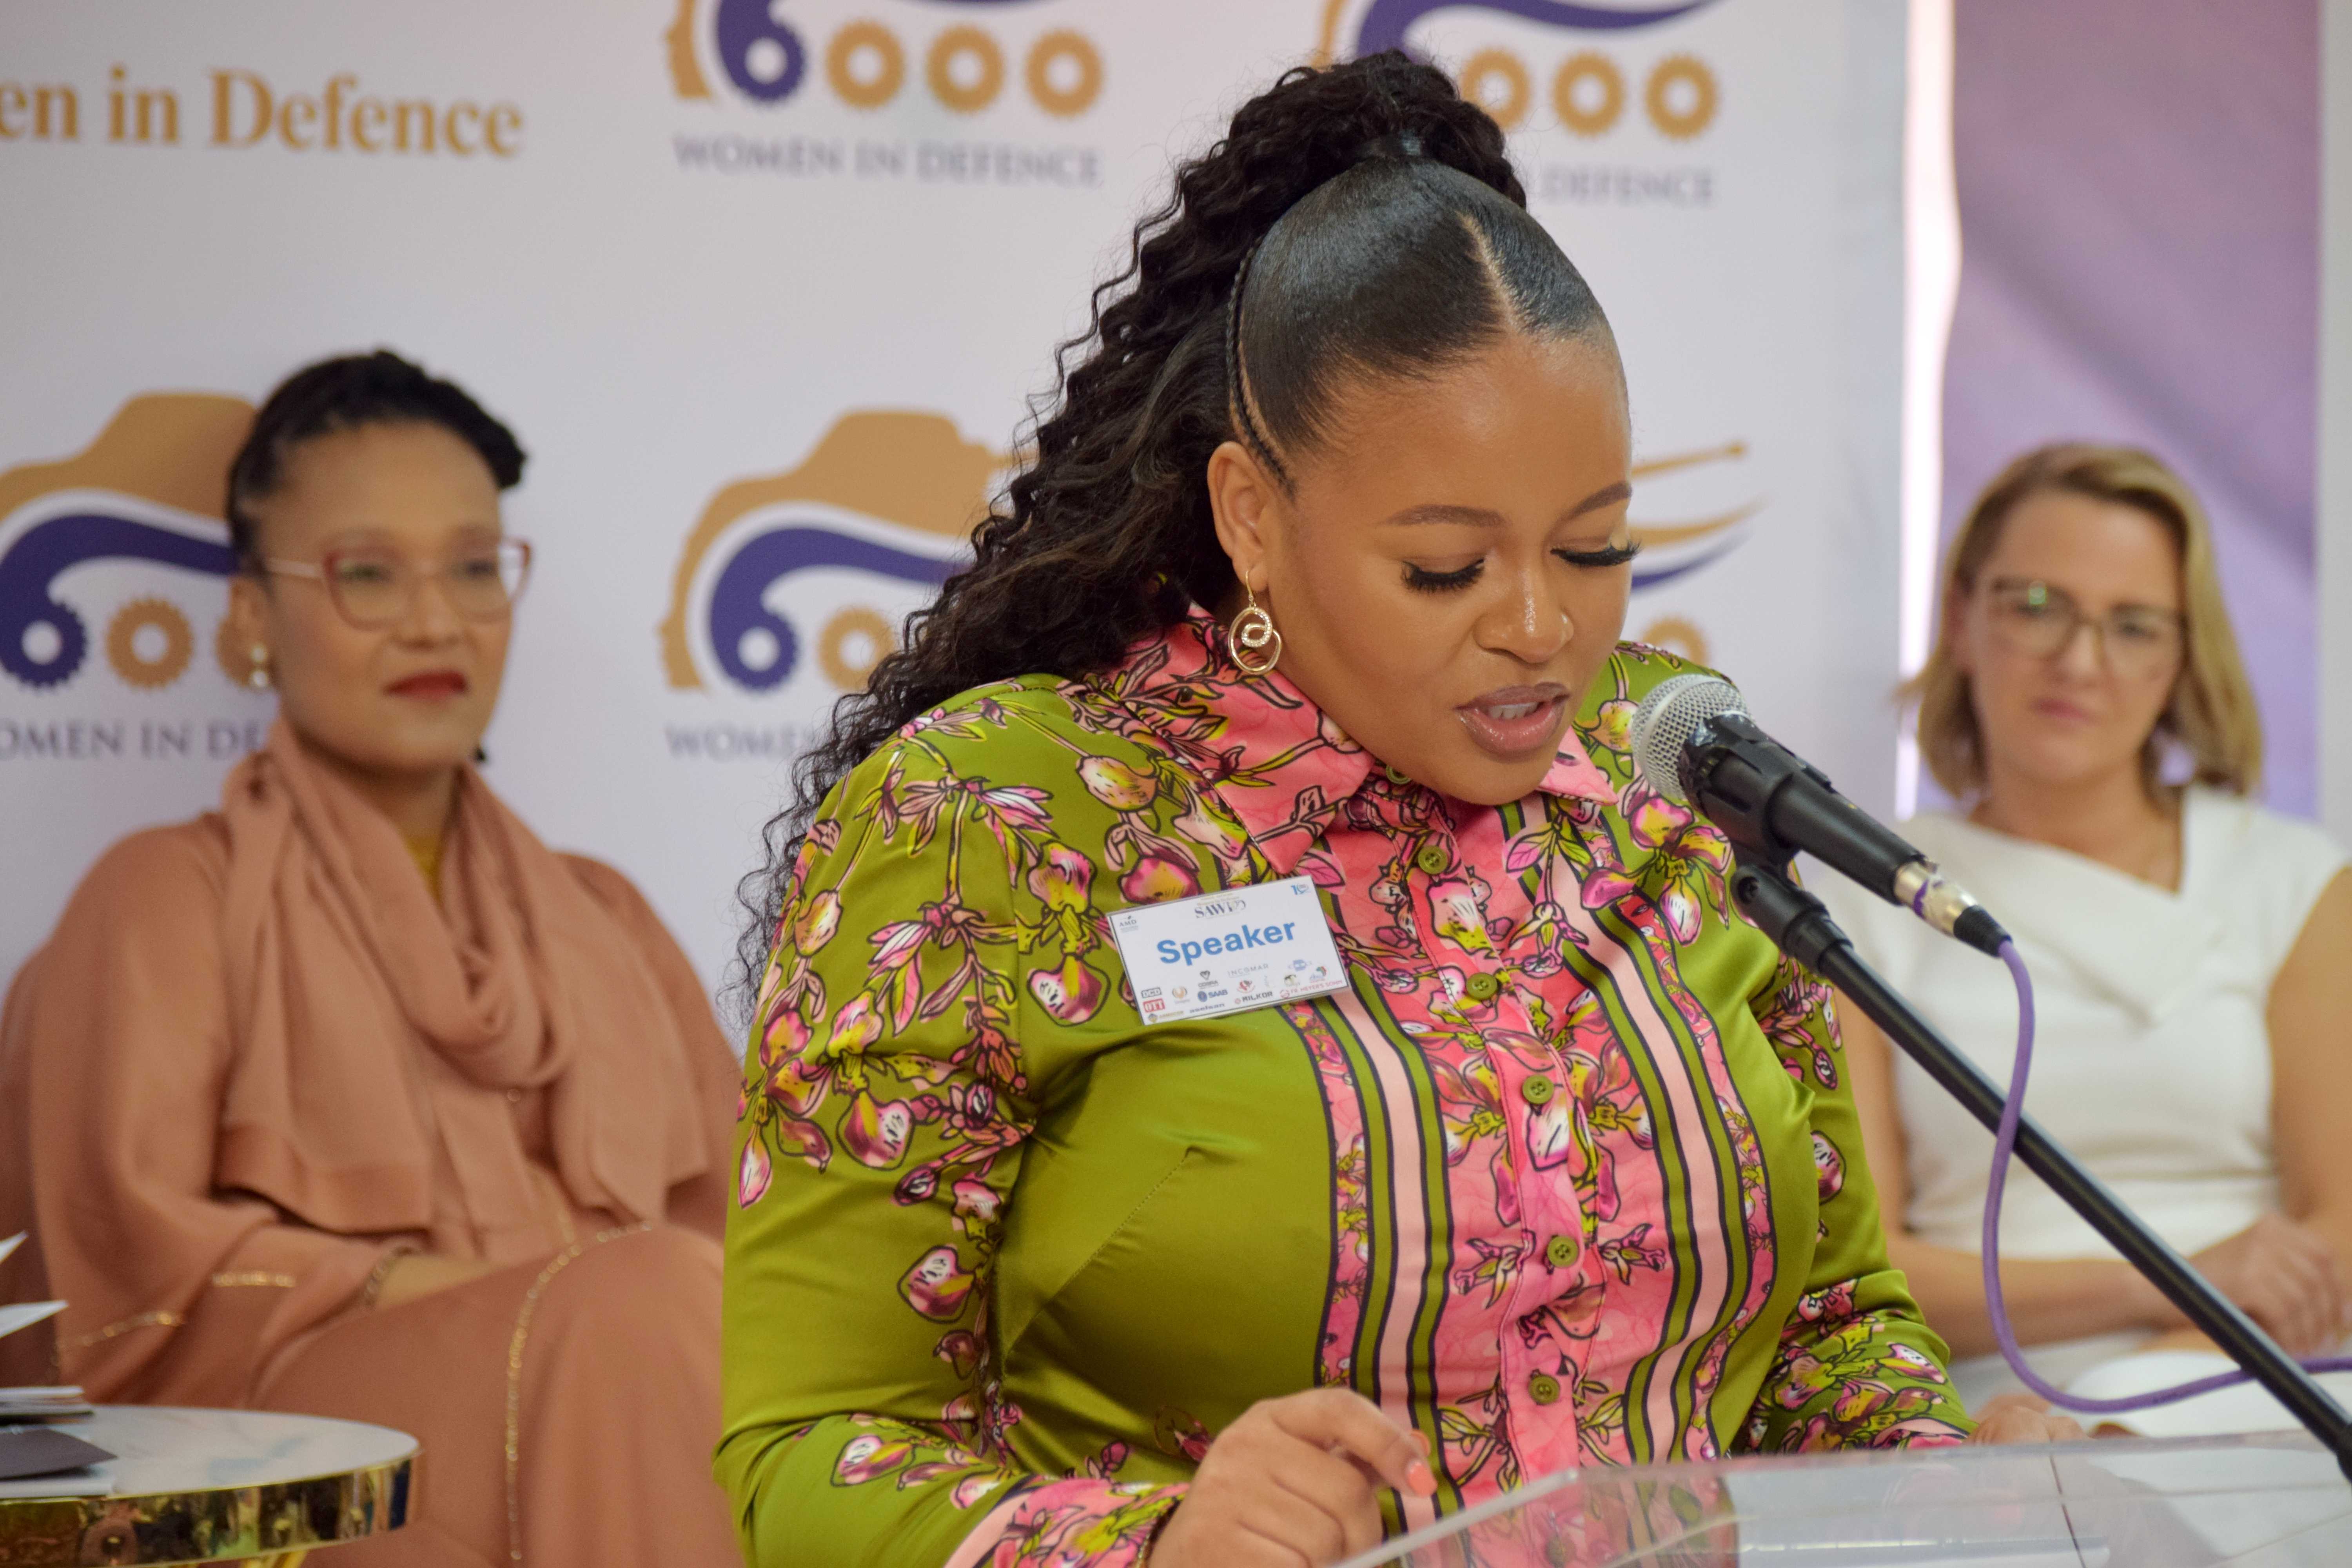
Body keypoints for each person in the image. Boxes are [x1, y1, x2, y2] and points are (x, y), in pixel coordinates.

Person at [718, 54, 2077, 1568]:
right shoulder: (997, 823)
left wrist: (1946, 1475)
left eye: (1595, 549)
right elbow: (811, 1447)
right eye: (1445, 568)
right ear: (1251, 516)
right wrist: (1155, 1547)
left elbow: (1826, 1327)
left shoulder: (1664, 774)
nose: (1541, 629)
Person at [0, 351, 744, 1566]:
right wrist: (548, 1292)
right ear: (252, 616)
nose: (436, 620)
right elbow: (120, 1278)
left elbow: (750, 1252)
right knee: (643, 1303)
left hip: (627, 1401)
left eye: (473, 567)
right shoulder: (166, 897)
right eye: (367, 573)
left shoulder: (606, 918)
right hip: (299, 1462)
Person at [1816, 443, 2352, 1434]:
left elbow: (2340, 1242)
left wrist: (2123, 1410)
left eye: (2133, 625)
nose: (2079, 660)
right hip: (1992, 1417)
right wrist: (2171, 1278)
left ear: (2182, 657)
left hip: (2257, 1389)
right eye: (2036, 606)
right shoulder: (1862, 895)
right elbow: (1861, 1273)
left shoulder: (2294, 882)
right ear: (1961, 618)